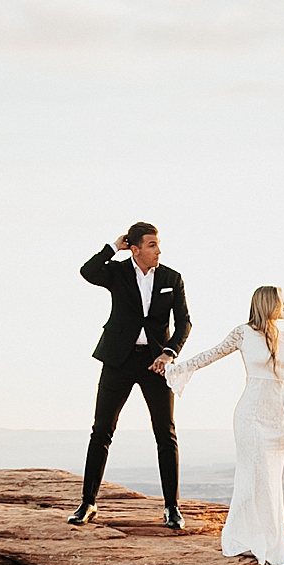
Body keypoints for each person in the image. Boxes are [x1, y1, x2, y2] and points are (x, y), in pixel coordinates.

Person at [167, 286, 284, 565]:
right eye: (281, 301)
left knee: (271, 481)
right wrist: (178, 367)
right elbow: (212, 354)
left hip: (275, 423)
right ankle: (256, 541)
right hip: (250, 418)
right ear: (268, 303)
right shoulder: (243, 333)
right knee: (256, 478)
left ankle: (264, 540)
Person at [72, 224, 192, 529]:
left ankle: (172, 508)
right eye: (152, 245)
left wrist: (169, 353)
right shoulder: (118, 272)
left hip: (156, 364)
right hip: (118, 360)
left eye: (158, 244)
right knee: (101, 431)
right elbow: (88, 271)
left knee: (166, 434)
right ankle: (88, 503)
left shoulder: (171, 278)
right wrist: (113, 248)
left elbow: (184, 323)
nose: (158, 251)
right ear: (135, 248)